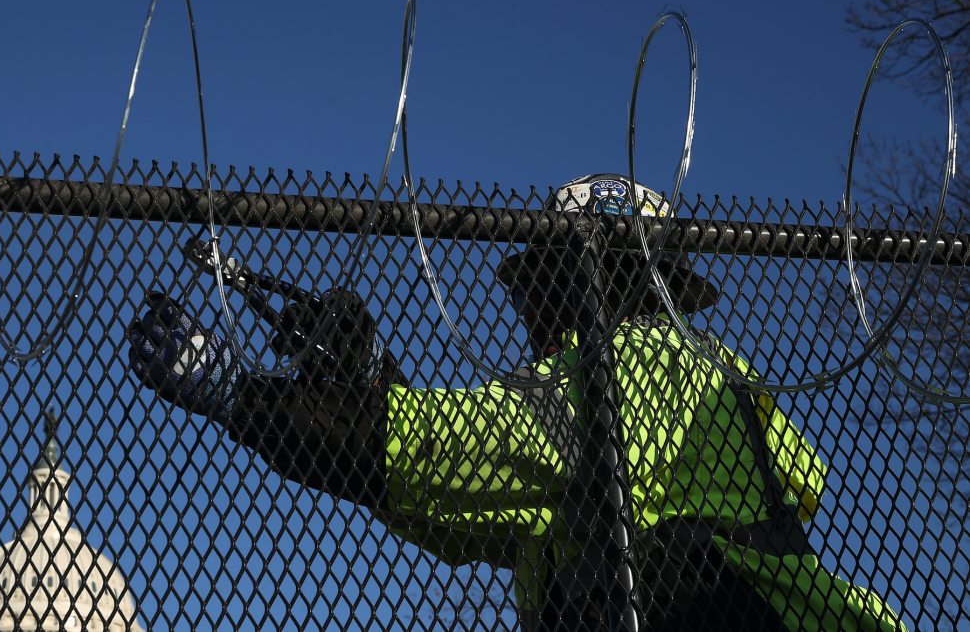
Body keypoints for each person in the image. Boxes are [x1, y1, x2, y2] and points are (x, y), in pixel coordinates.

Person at [127, 174, 906, 632]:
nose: (526, 312)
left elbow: (440, 452)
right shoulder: (687, 393)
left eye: (540, 285)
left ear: (587, 282)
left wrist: (242, 395)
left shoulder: (632, 363)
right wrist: (367, 382)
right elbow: (448, 505)